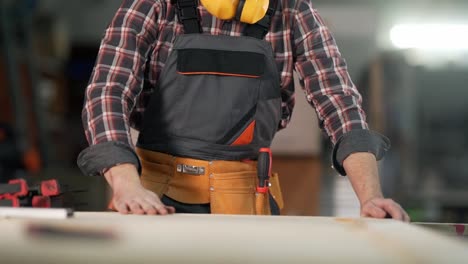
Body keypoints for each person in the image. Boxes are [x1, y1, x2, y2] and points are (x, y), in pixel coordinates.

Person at [77, 0, 410, 221]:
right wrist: (126, 185)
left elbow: (338, 100)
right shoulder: (154, 4)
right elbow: (107, 91)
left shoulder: (293, 10)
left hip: (245, 199)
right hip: (151, 197)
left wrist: (370, 198)